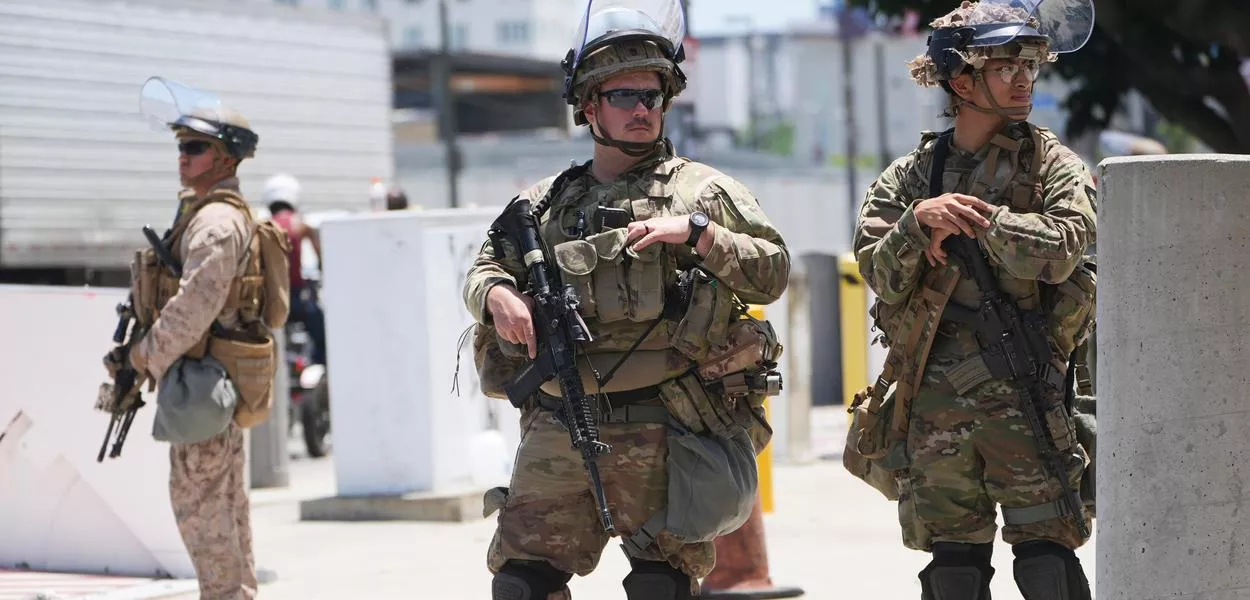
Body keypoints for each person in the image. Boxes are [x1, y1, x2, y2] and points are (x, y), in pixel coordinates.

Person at [462, 2, 789, 598]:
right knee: (521, 585)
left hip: (669, 419)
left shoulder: (703, 191)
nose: (642, 109)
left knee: (659, 587)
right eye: (624, 97)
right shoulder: (544, 203)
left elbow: (771, 272)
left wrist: (698, 234)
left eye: (652, 96)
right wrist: (497, 295)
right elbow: (483, 266)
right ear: (589, 107)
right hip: (564, 419)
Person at [851, 1, 1098, 598]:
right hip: (933, 407)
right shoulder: (912, 177)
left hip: (1028, 397)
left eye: (1030, 65)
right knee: (953, 570)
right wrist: (918, 224)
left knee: (1048, 565)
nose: (1022, 79)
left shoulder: (1052, 166)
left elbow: (1064, 246)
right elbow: (876, 271)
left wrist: (984, 223)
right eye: (1005, 65)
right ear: (961, 81)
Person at [104, 78, 287, 600]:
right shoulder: (211, 214)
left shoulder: (215, 223)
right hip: (210, 380)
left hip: (203, 381)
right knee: (223, 509)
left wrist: (141, 358)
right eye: (181, 145)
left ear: (226, 156)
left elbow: (193, 307)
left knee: (203, 510)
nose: (182, 156)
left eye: (195, 147)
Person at [264, 173, 327, 365]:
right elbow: (320, 252)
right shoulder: (299, 224)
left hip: (271, 300)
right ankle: (320, 366)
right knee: (323, 336)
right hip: (297, 297)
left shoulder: (264, 226)